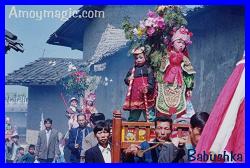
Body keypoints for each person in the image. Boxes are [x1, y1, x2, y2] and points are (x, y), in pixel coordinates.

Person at [156, 26, 195, 120]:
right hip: (166, 84)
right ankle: (163, 124)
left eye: (183, 43)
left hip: (180, 85)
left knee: (182, 107)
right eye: (179, 42)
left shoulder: (185, 59)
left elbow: (189, 74)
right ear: (173, 43)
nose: (181, 45)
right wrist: (158, 84)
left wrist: (189, 87)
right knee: (164, 107)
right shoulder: (166, 56)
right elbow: (161, 71)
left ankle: (181, 126)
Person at [123, 46, 156, 122]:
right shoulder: (132, 69)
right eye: (136, 58)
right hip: (135, 97)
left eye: (140, 57)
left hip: (146, 97)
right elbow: (126, 79)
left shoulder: (148, 68)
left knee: (150, 117)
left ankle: (152, 131)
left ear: (145, 57)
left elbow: (151, 81)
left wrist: (148, 88)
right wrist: (128, 79)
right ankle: (131, 132)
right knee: (133, 117)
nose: (138, 60)